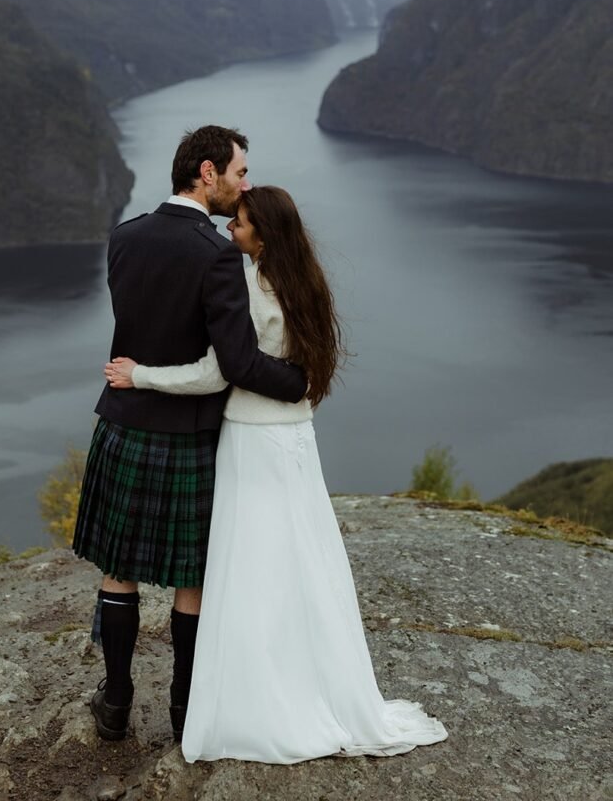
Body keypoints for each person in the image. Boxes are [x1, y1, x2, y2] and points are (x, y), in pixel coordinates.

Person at [105, 185, 448, 763]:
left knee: (251, 570)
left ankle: (252, 700)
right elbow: (301, 368)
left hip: (251, 438)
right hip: (294, 438)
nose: (230, 230)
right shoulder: (303, 281)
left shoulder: (247, 280)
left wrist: (141, 375)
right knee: (301, 561)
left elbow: (220, 372)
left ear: (261, 233)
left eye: (238, 223)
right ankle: (305, 685)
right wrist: (294, 387)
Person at [72, 128, 307, 744]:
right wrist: (296, 383)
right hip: (186, 437)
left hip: (122, 426)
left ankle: (116, 704)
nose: (244, 185)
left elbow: (138, 323)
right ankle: (183, 711)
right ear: (208, 172)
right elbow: (231, 362)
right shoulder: (219, 253)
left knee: (117, 569)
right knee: (191, 578)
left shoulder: (123, 237)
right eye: (239, 173)